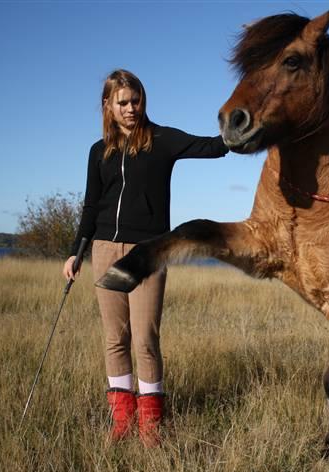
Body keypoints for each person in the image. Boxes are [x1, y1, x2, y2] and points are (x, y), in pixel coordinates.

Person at [63, 69, 228, 447]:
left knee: (145, 340)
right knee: (115, 339)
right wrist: (76, 252)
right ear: (108, 105)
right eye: (122, 102)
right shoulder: (97, 151)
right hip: (104, 250)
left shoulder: (162, 140)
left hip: (148, 253)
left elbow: (212, 147)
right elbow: (91, 206)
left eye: (136, 100)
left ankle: (151, 427)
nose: (131, 108)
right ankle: (122, 421)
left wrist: (244, 131)